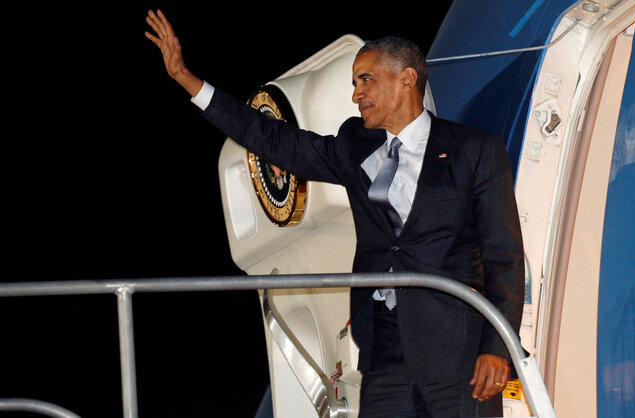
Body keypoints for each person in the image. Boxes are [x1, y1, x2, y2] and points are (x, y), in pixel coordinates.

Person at [145, 9, 524, 417]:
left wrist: (496, 348)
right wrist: (188, 80)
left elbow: (504, 256)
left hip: (459, 355)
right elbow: (273, 138)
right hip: (383, 350)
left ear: (407, 79)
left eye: (367, 80)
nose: (357, 94)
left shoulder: (474, 150)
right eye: (355, 82)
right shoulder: (355, 145)